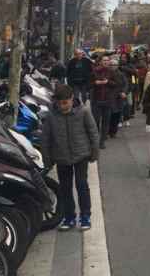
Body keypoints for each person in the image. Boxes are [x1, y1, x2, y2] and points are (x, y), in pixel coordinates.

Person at [40, 84, 99, 231]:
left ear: (72, 99)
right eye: (59, 103)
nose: (62, 106)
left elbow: (93, 133)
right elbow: (45, 139)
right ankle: (69, 217)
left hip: (81, 155)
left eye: (65, 103)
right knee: (65, 188)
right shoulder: (51, 115)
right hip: (61, 157)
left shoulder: (83, 112)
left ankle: (85, 216)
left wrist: (94, 152)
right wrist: (47, 159)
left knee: (81, 185)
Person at [90, 56, 120, 149]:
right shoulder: (95, 71)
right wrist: (96, 83)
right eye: (104, 60)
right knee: (96, 121)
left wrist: (108, 82)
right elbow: (89, 83)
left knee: (106, 122)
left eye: (107, 60)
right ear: (100, 62)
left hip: (108, 100)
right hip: (96, 100)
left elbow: (116, 84)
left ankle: (102, 141)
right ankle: (96, 140)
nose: (106, 62)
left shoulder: (112, 72)